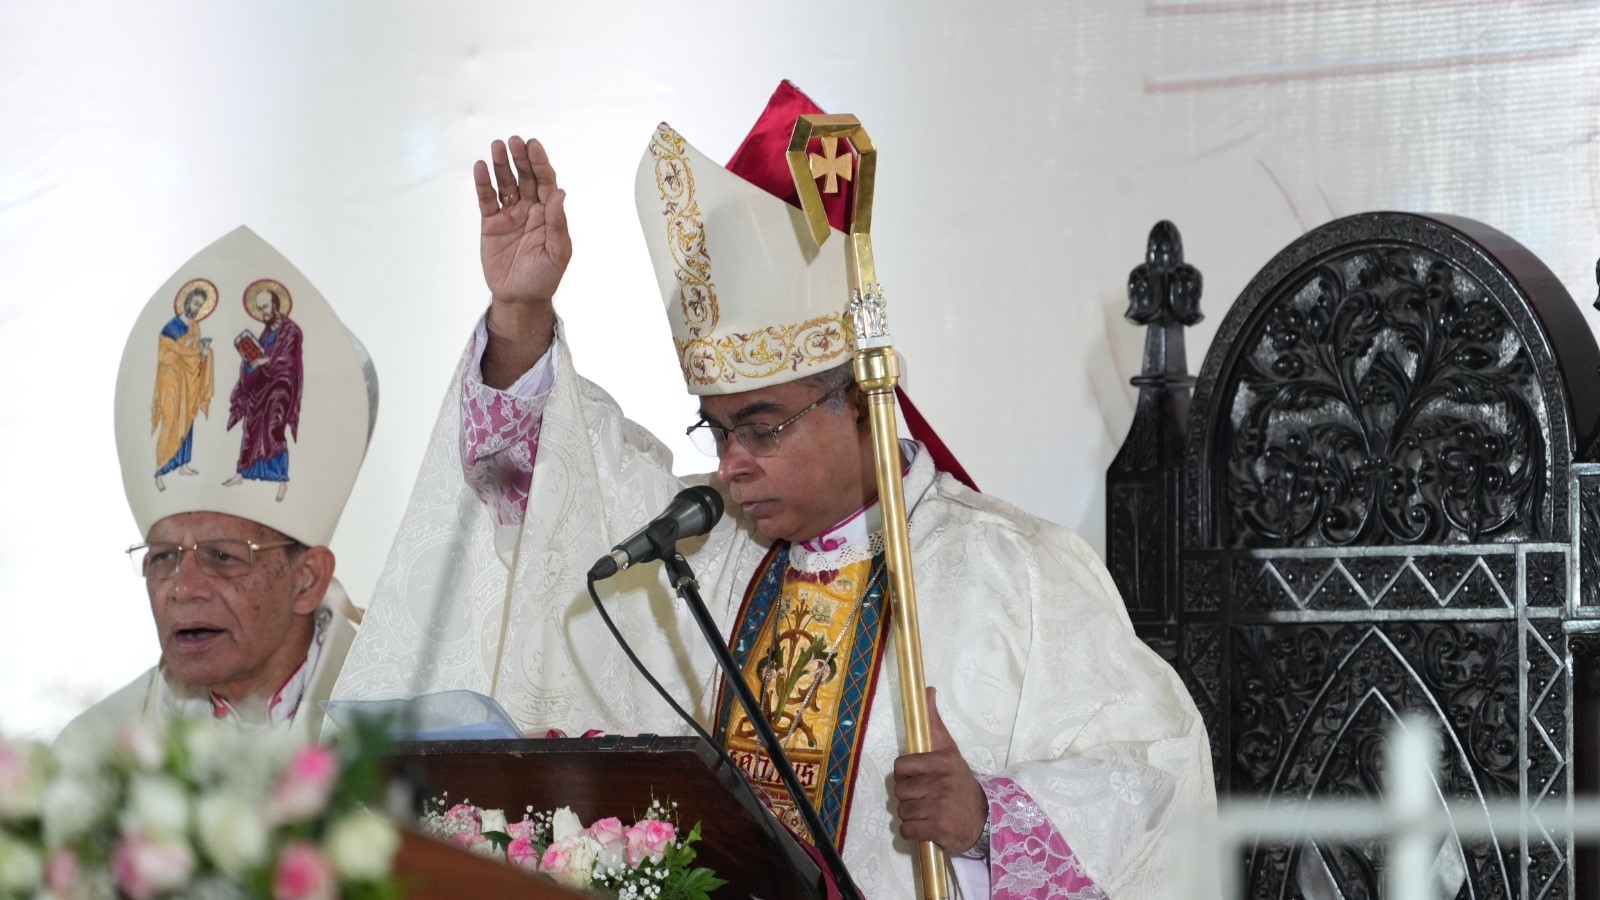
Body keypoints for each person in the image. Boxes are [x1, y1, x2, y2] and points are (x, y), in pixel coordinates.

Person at [335, 83, 1215, 898]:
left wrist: (987, 821)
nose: (731, 465)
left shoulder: (1017, 574)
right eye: (716, 431)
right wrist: (521, 315)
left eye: (762, 427)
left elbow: (1155, 779)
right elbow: (558, 476)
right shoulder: (705, 548)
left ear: (863, 405)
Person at [60, 226, 376, 745]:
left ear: (307, 580)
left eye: (223, 556)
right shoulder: (95, 752)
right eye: (163, 557)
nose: (182, 588)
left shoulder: (408, 739)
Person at [225, 281, 304, 503]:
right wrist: (250, 363)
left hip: (281, 386)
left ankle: (281, 481)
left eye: (266, 307)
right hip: (261, 388)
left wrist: (264, 361)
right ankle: (242, 473)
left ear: (276, 305)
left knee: (273, 428)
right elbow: (257, 359)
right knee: (251, 427)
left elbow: (288, 361)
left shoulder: (292, 331)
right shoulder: (267, 333)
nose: (263, 313)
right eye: (259, 309)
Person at [152, 281, 216, 492]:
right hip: (172, 382)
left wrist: (203, 353)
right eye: (195, 303)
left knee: (187, 422)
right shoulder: (171, 327)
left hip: (189, 383)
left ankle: (183, 464)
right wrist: (184, 350)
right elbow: (165, 355)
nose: (196, 308)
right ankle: (160, 470)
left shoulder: (194, 327)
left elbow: (195, 357)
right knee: (171, 422)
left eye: (200, 305)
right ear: (187, 301)